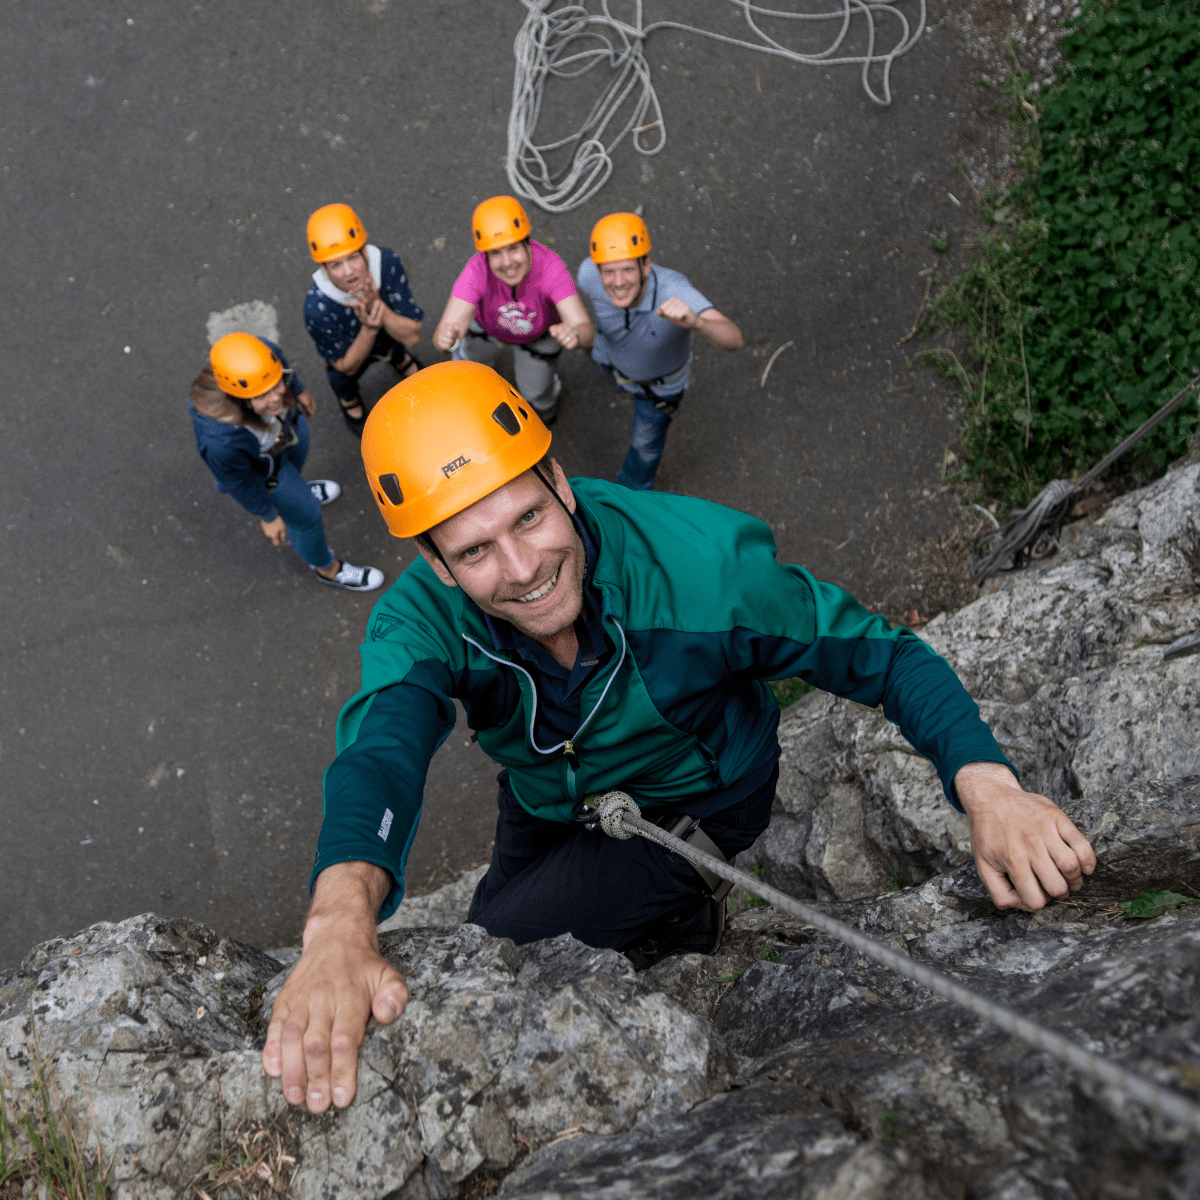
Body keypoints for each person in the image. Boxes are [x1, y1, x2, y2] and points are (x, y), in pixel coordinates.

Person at [263, 360, 1098, 1114]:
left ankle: (688, 911)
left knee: (506, 942)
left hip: (692, 800)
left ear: (560, 479)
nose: (521, 569)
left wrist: (987, 785)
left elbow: (881, 653)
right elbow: (383, 749)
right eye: (475, 551)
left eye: (527, 519)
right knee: (486, 932)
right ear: (437, 565)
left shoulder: (702, 574)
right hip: (545, 789)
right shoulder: (422, 617)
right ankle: (654, 914)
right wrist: (340, 917)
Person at [190, 332, 384, 592]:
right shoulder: (221, 442)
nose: (275, 399)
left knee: (295, 468)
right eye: (260, 396)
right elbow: (240, 481)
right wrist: (268, 515)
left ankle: (299, 491)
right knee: (308, 517)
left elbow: (278, 362)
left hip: (284, 435)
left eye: (276, 385)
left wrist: (298, 390)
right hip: (264, 472)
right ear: (236, 399)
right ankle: (326, 568)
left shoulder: (260, 357)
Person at [576, 212, 743, 489]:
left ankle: (632, 494)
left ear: (646, 266)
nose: (617, 282)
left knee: (645, 446)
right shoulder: (587, 275)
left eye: (628, 269)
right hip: (610, 356)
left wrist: (698, 323)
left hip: (656, 390)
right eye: (608, 271)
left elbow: (734, 339)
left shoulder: (673, 291)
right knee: (606, 362)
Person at [430, 195, 593, 425]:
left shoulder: (550, 268)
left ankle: (544, 408)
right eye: (496, 253)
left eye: (513, 248)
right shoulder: (477, 269)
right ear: (485, 255)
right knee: (471, 371)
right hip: (486, 328)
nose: (507, 262)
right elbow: (445, 330)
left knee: (536, 394)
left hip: (539, 336)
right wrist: (445, 338)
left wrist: (575, 334)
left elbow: (585, 329)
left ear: (528, 243)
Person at [303, 203, 424, 435]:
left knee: (396, 346)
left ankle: (399, 360)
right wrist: (369, 329)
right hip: (351, 349)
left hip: (389, 338)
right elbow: (345, 366)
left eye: (353, 258)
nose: (349, 272)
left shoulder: (387, 263)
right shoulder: (317, 307)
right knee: (343, 380)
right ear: (324, 270)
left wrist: (378, 308)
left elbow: (412, 336)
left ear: (365, 252)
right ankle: (349, 399)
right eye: (336, 265)